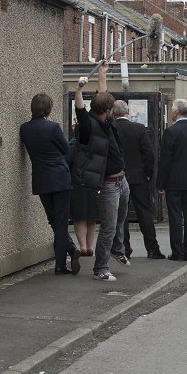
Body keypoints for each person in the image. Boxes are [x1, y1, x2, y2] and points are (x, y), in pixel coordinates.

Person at [73, 62, 130, 282]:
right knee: (108, 226)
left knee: (120, 219)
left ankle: (117, 249)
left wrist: (101, 75)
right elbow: (80, 109)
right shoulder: (88, 127)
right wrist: (78, 89)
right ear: (107, 111)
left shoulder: (106, 121)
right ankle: (101, 268)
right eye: (110, 109)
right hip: (107, 183)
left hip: (121, 179)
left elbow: (102, 95)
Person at [20, 93, 81, 275]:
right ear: (48, 109)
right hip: (60, 177)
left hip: (41, 178)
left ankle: (70, 249)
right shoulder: (53, 127)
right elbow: (64, 148)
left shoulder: (24, 129)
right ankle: (61, 264)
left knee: (53, 219)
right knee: (61, 220)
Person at [113, 100, 165, 260]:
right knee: (144, 213)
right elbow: (149, 153)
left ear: (113, 113)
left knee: (121, 215)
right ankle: (152, 249)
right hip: (139, 177)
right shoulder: (138, 128)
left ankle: (125, 248)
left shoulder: (111, 129)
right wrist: (148, 173)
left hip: (117, 176)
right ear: (127, 112)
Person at [156, 99, 187, 262]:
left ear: (175, 113)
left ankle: (177, 252)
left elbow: (165, 161)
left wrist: (160, 183)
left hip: (174, 182)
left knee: (175, 216)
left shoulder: (171, 132)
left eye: (172, 110)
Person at [66, 127, 98, 258]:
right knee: (92, 216)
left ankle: (83, 247)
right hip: (93, 182)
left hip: (77, 182)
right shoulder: (95, 144)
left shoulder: (74, 143)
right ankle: (90, 247)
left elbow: (66, 161)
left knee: (80, 217)